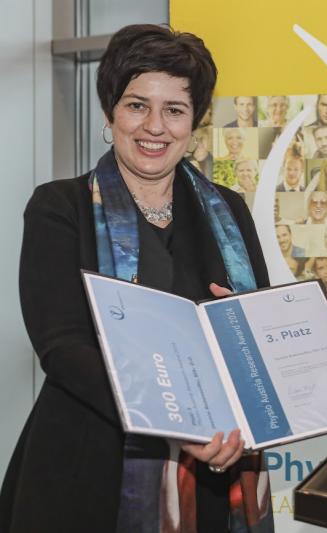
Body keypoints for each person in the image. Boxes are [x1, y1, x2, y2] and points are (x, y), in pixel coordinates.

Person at [0, 24, 274, 532]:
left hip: (214, 469)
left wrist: (252, 326)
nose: (155, 126)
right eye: (137, 105)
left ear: (195, 121)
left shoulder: (230, 212)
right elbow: (61, 347)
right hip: (89, 470)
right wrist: (174, 422)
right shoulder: (59, 207)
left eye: (174, 110)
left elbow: (254, 345)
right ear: (110, 113)